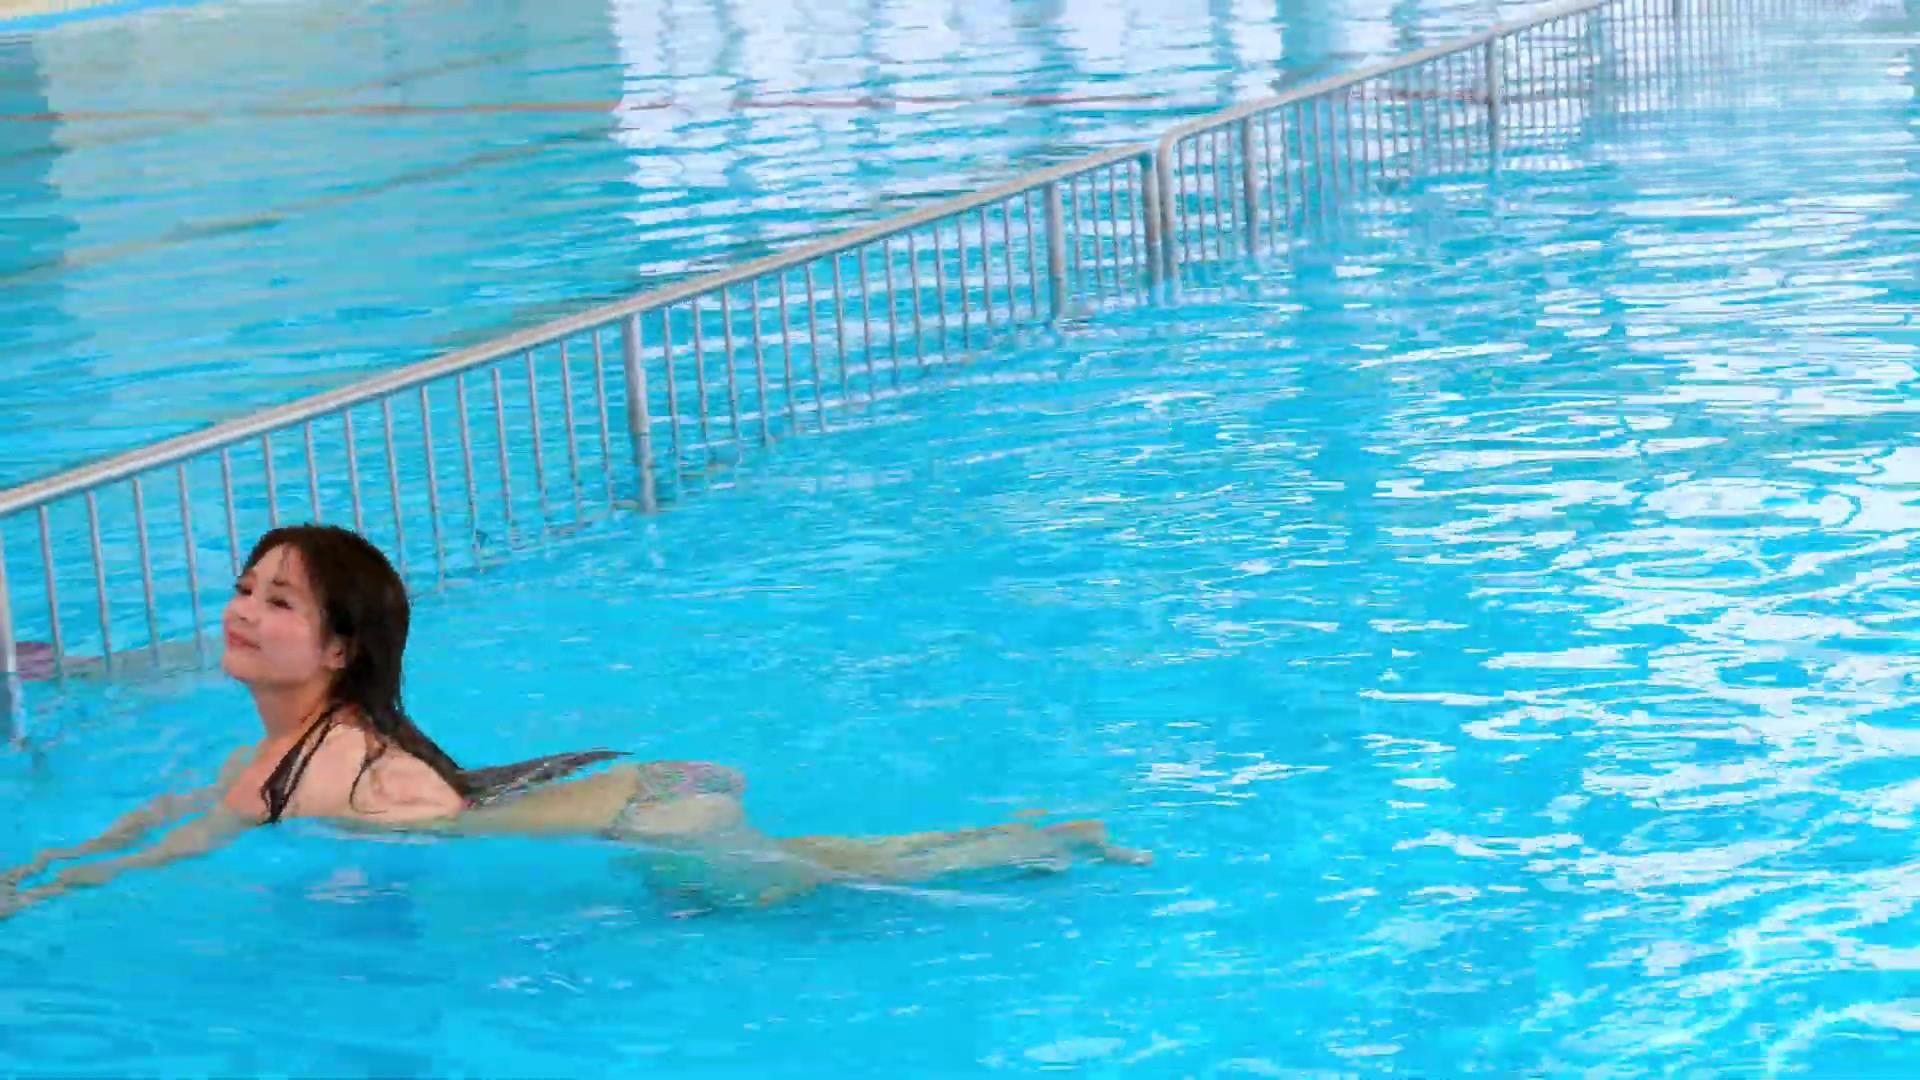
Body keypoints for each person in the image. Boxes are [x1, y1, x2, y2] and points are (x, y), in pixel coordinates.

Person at [2, 525, 1147, 916]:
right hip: (635, 801)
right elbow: (173, 823)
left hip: (651, 814)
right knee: (803, 879)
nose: (244, 613)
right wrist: (38, 878)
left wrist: (48, 892)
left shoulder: (347, 769)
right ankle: (1033, 838)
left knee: (820, 892)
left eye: (279, 602)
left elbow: (196, 842)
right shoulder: (274, 757)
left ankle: (1036, 841)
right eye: (245, 588)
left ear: (341, 649)